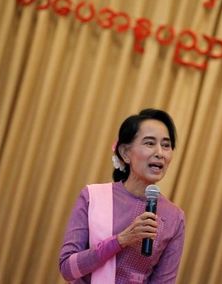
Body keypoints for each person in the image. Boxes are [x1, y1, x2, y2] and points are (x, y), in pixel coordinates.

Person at [59, 108, 185, 283]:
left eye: (166, 145)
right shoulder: (93, 196)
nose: (160, 153)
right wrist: (121, 240)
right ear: (125, 153)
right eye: (149, 143)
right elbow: (68, 269)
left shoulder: (174, 217)